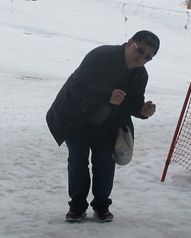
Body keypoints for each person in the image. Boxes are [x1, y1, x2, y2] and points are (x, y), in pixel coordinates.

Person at [46, 30, 159, 222]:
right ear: (130, 42)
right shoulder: (101, 55)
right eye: (140, 51)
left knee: (105, 160)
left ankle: (102, 205)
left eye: (148, 57)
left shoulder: (140, 75)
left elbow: (131, 103)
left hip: (105, 123)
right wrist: (107, 95)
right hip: (74, 117)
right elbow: (78, 86)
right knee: (78, 159)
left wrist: (142, 110)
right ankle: (77, 206)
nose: (142, 58)